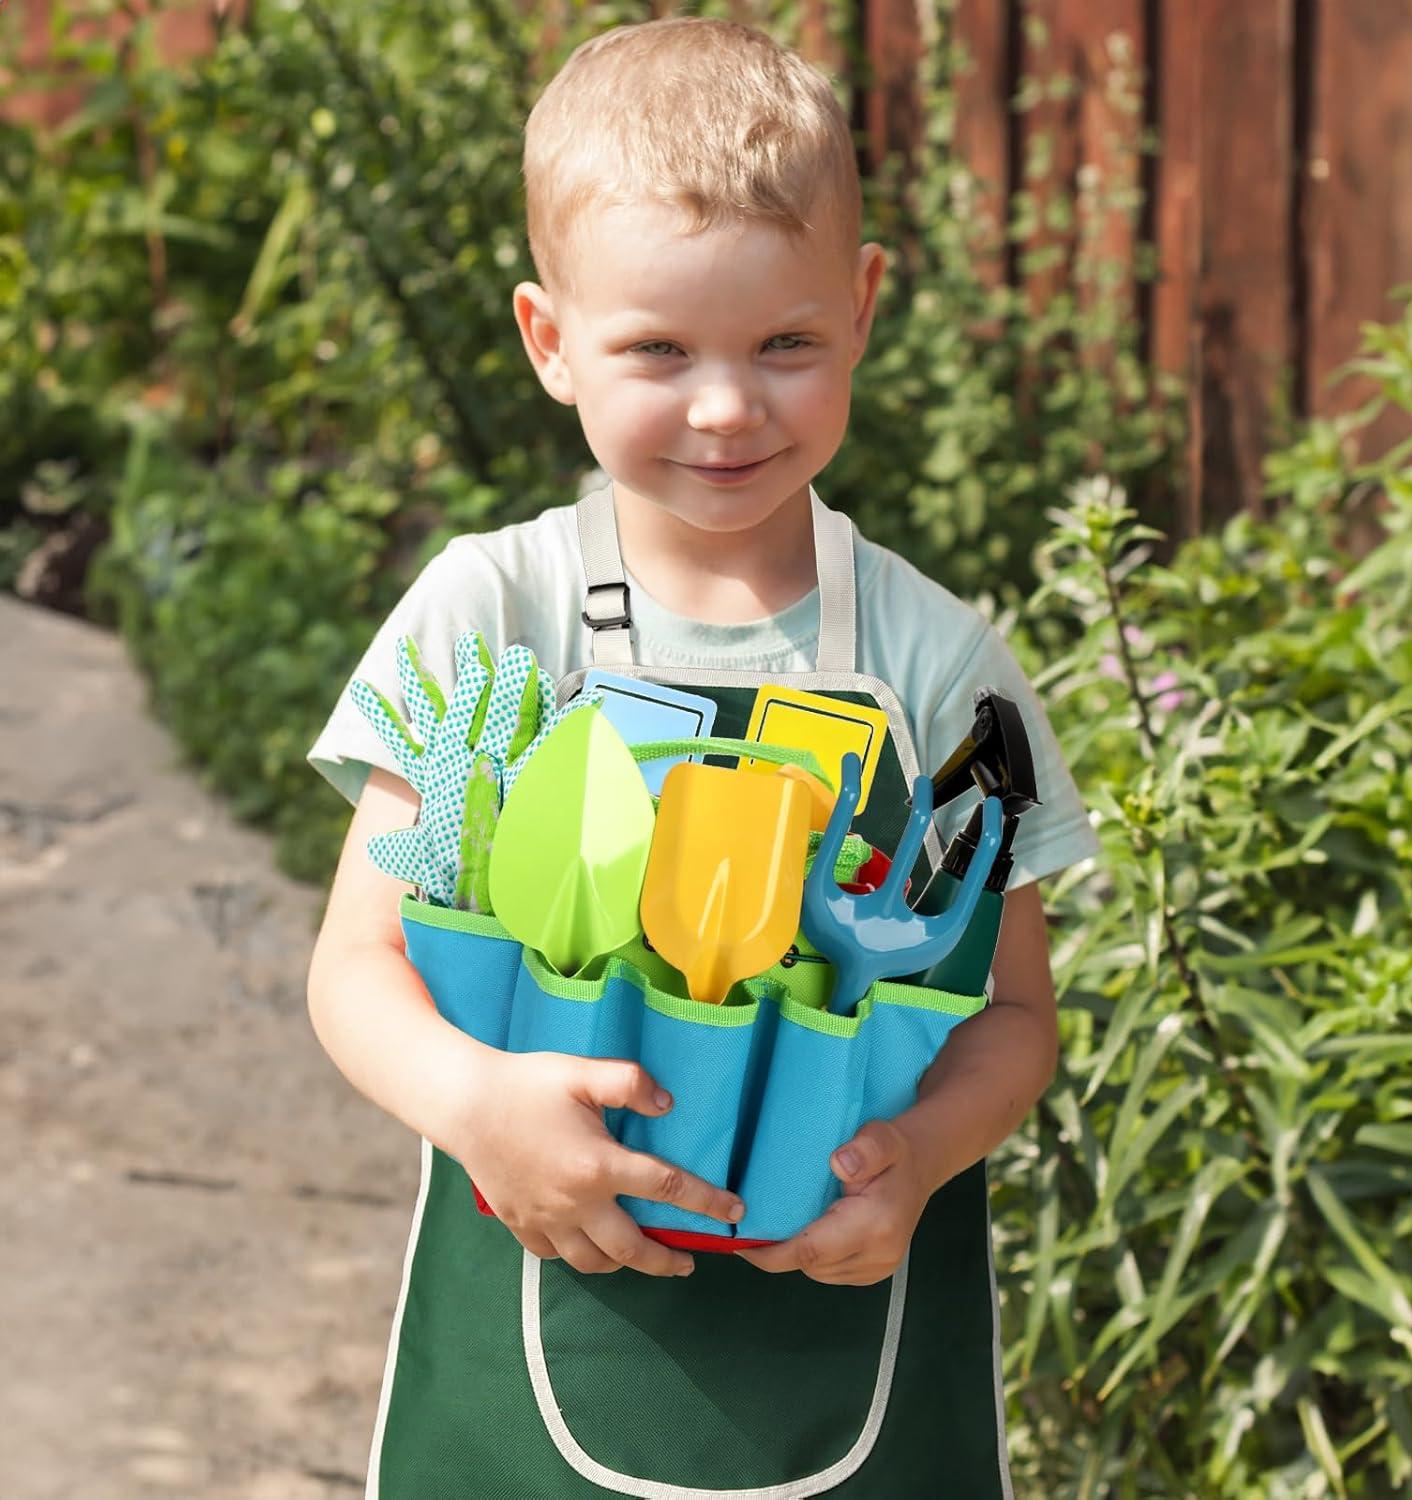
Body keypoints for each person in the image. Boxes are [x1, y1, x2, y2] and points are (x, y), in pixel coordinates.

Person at [306, 16, 1098, 1497]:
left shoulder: (939, 668)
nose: (727, 405)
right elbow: (357, 967)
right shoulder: (494, 615)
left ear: (863, 307)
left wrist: (920, 1157)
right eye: (657, 349)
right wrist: (477, 1108)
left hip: (858, 1351)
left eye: (785, 343)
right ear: (551, 340)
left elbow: (1013, 1016)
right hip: (524, 1352)